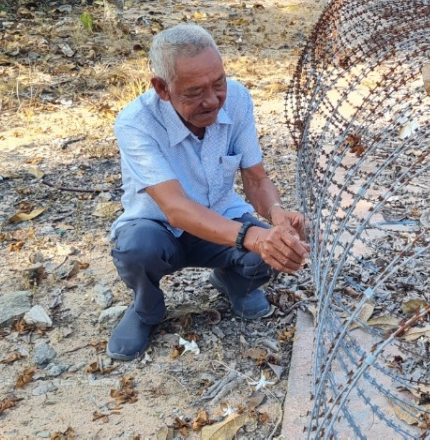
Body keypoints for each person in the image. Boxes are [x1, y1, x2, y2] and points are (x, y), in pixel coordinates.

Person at [106, 24, 309, 361]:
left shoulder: (239, 99)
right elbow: (176, 209)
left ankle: (236, 282)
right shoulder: (135, 123)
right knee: (136, 250)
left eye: (218, 84)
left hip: (220, 218)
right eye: (195, 92)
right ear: (162, 88)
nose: (213, 100)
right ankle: (146, 309)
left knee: (273, 248)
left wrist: (276, 215)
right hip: (158, 227)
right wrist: (254, 236)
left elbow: (256, 180)